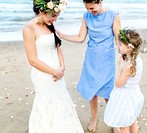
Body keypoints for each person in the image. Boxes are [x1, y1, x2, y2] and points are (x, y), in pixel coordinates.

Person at [57, 0, 121, 132]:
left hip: (107, 59)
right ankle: (94, 118)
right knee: (92, 91)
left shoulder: (113, 15)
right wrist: (62, 36)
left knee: (108, 92)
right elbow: (81, 38)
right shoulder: (86, 16)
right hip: (91, 58)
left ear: (100, 2)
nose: (90, 11)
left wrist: (124, 57)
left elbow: (118, 39)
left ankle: (114, 123)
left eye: (92, 8)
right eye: (87, 8)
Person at [22, 0, 84, 132]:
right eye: (53, 16)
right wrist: (54, 72)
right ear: (41, 11)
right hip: (43, 74)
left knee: (60, 100)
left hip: (58, 71)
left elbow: (57, 47)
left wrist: (62, 66)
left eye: (57, 16)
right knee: (47, 102)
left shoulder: (50, 25)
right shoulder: (29, 29)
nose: (55, 20)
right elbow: (32, 60)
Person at [104, 28, 144, 133]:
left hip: (125, 97)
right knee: (132, 120)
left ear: (129, 48)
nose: (118, 46)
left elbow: (118, 83)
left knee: (123, 124)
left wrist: (120, 65)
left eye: (120, 45)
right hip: (134, 93)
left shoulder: (128, 65)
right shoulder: (137, 60)